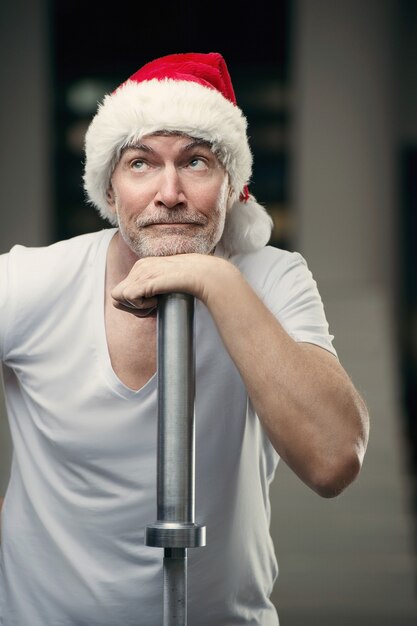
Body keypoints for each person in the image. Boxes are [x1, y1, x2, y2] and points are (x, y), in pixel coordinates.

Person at [0, 52, 369, 625]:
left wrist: (215, 278)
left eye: (196, 162)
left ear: (230, 186)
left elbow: (333, 459)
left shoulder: (271, 278)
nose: (169, 193)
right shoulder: (33, 281)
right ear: (110, 186)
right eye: (141, 163)